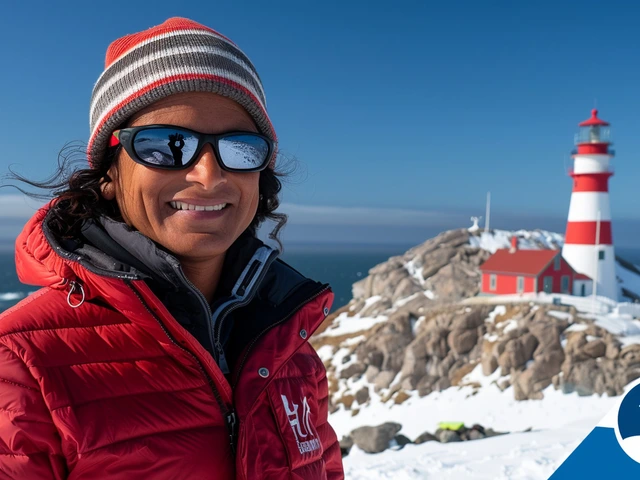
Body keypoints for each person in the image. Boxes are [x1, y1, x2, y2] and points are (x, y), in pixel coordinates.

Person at [0, 17, 344, 479]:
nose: (209, 175)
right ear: (108, 172)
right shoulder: (20, 364)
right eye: (166, 145)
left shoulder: (291, 357)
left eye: (240, 148)